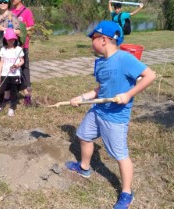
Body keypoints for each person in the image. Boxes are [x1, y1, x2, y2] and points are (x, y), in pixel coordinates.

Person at [65, 21, 156, 209]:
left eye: (93, 39)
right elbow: (100, 89)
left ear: (104, 40)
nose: (92, 43)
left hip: (115, 118)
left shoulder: (124, 59)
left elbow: (150, 76)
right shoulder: (100, 63)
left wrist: (128, 94)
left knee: (120, 155)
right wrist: (82, 98)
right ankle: (84, 168)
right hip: (98, 111)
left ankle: (127, 193)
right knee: (83, 135)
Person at [0, 28, 24, 117]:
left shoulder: (19, 49)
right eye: (9, 39)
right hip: (4, 74)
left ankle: (12, 108)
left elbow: (22, 61)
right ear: (5, 39)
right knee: (1, 91)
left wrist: (17, 65)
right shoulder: (3, 50)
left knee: (13, 92)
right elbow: (1, 62)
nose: (11, 41)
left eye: (12, 39)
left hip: (15, 74)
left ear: (15, 39)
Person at [9, 0, 35, 106]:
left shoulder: (27, 12)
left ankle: (27, 94)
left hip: (22, 44)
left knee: (24, 68)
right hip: (12, 45)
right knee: (13, 67)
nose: (12, 0)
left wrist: (21, 30)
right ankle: (12, 92)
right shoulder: (11, 11)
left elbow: (31, 27)